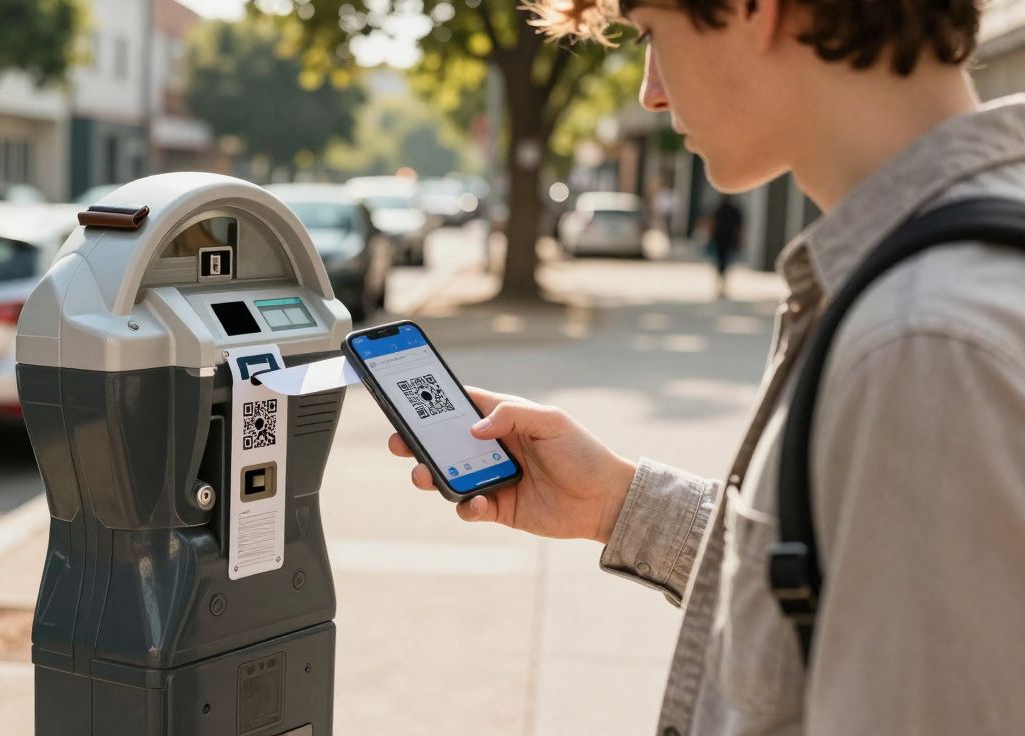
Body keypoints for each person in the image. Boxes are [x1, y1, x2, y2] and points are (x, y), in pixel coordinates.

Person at [387, 0, 1025, 734]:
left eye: (654, 35)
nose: (649, 92)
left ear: (757, 12)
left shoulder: (928, 345)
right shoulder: (929, 288)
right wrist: (619, 506)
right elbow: (839, 598)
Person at [706, 195, 743, 298]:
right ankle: (722, 284)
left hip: (721, 239)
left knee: (720, 262)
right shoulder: (733, 210)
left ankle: (721, 283)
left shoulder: (719, 209)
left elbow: (712, 224)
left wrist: (710, 237)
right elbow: (739, 228)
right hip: (728, 240)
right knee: (724, 263)